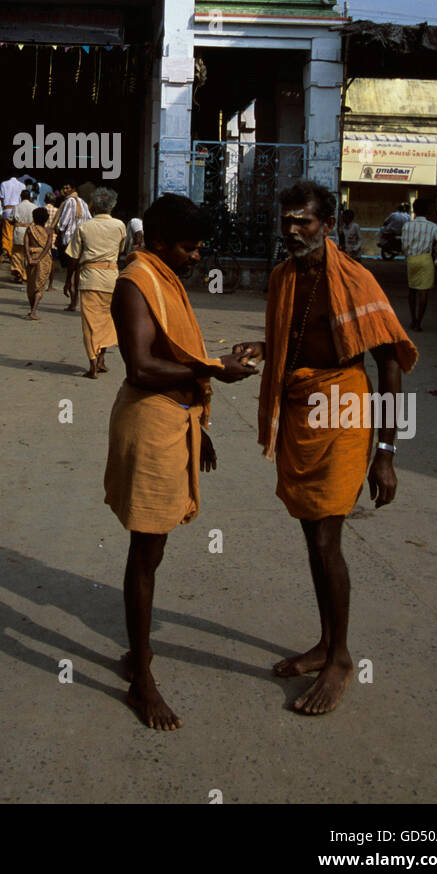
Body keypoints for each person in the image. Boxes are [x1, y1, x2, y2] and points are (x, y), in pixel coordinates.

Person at [234, 180, 417, 716]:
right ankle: (325, 642)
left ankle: (339, 657)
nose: (292, 231)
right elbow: (298, 337)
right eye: (286, 222)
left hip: (344, 408)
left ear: (328, 226)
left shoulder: (356, 280)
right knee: (312, 530)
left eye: (304, 223)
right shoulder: (282, 277)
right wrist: (265, 348)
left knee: (325, 539)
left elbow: (389, 363)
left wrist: (387, 451)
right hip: (300, 405)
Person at [105, 193, 257, 730]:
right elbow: (143, 366)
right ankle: (142, 680)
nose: (196, 258)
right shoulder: (136, 281)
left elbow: (174, 358)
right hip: (149, 421)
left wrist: (200, 427)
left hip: (176, 420)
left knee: (154, 547)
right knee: (146, 548)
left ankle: (135, 653)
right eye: (189, 248)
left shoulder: (164, 276)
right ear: (162, 243)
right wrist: (214, 369)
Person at [67, 187, 127, 378]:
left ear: (93, 206)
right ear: (113, 206)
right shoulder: (119, 226)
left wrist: (68, 281)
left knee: (90, 324)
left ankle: (93, 364)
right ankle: (101, 360)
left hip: (89, 278)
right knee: (108, 322)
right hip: (111, 278)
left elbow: (73, 257)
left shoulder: (84, 227)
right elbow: (122, 249)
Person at [400, 196, 437, 332]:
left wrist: (408, 253)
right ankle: (419, 322)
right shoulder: (432, 226)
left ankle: (413, 318)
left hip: (412, 259)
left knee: (412, 289)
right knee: (423, 291)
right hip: (426, 258)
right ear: (427, 211)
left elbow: (404, 245)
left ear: (414, 210)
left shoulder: (407, 225)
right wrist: (436, 251)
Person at [55, 184, 91, 310]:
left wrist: (58, 232)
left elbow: (63, 222)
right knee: (77, 271)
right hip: (82, 242)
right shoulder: (84, 203)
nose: (65, 190)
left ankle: (73, 302)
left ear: (73, 189)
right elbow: (89, 220)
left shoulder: (68, 202)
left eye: (68, 188)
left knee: (70, 272)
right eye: (64, 188)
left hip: (69, 241)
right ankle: (74, 301)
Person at [24, 207, 54, 320]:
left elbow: (26, 244)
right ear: (46, 219)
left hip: (32, 256)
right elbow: (48, 245)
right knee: (40, 286)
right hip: (44, 259)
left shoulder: (29, 229)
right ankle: (33, 311)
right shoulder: (49, 230)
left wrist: (29, 258)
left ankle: (32, 309)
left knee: (31, 285)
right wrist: (40, 258)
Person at [10, 189, 35, 283]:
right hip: (30, 232)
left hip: (18, 231)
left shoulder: (16, 207)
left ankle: (19, 272)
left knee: (17, 253)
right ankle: (25, 275)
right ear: (30, 197)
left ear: (21, 197)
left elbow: (11, 219)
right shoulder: (34, 207)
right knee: (27, 253)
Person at [0, 174, 24, 263]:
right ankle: (12, 252)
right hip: (17, 210)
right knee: (15, 232)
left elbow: (2, 198)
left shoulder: (4, 184)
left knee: (6, 232)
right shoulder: (22, 185)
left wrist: (3, 209)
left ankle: (6, 250)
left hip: (7, 209)